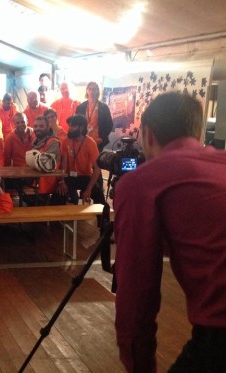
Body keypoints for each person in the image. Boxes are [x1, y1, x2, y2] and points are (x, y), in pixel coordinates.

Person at [114, 92, 226, 372]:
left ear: (148, 135)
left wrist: (139, 365)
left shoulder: (142, 182)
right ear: (198, 131)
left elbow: (137, 294)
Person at [57, 114, 105, 205]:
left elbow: (97, 168)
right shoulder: (66, 141)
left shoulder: (90, 143)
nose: (70, 128)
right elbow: (64, 163)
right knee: (58, 194)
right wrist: (62, 180)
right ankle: (56, 219)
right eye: (70, 126)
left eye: (73, 126)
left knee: (100, 199)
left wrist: (89, 189)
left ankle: (103, 219)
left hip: (85, 177)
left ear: (82, 127)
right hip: (69, 177)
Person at [76, 81, 113, 152]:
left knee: (95, 162)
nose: (92, 91)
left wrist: (102, 137)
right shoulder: (80, 107)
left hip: (97, 141)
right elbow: (76, 124)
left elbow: (109, 124)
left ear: (97, 91)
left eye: (94, 89)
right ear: (87, 91)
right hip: (83, 141)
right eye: (90, 89)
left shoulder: (104, 107)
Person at [31, 115, 60, 197]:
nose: (37, 128)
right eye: (35, 126)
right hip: (37, 180)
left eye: (41, 126)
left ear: (48, 127)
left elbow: (45, 163)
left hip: (48, 184)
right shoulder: (36, 141)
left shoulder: (53, 142)